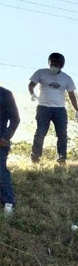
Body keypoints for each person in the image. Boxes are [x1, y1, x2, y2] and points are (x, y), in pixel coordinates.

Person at [29, 52, 78, 164]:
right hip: (43, 108)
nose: (54, 65)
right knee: (40, 132)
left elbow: (72, 95)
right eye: (53, 62)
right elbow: (31, 85)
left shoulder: (67, 78)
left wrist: (77, 110)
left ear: (62, 65)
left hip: (60, 109)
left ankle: (61, 158)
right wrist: (32, 93)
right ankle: (35, 157)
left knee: (62, 134)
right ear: (49, 62)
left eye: (57, 63)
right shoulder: (41, 73)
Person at [0, 86, 20, 217]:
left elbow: (15, 119)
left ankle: (8, 204)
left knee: (0, 171)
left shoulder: (5, 94)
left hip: (0, 138)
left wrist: (6, 137)